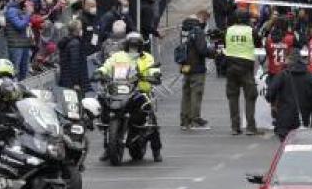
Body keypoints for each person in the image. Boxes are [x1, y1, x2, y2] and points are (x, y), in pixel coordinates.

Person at [96, 32, 163, 162]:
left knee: (151, 119)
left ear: (141, 46)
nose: (134, 49)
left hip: (140, 91)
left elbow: (154, 70)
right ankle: (108, 147)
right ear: (126, 45)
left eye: (136, 46)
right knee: (105, 108)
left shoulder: (147, 58)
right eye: (131, 46)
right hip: (119, 89)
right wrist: (100, 72)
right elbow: (107, 66)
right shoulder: (118, 56)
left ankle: (156, 150)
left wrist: (154, 76)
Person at [266, 50, 312, 140]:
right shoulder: (310, 76)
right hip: (303, 118)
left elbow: (269, 93)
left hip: (284, 118)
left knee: (285, 146)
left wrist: (274, 103)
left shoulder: (282, 75)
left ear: (289, 60)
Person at [224, 9, 261, 135]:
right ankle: (250, 127)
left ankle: (235, 127)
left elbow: (225, 44)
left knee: (233, 96)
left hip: (230, 65)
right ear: (247, 19)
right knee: (250, 96)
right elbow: (258, 45)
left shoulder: (228, 30)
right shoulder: (251, 31)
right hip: (246, 66)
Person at [178, 9, 212, 131]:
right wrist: (214, 52)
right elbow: (202, 50)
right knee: (196, 93)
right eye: (206, 20)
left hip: (185, 65)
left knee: (186, 93)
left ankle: (184, 120)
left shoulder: (184, 29)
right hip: (197, 66)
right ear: (201, 17)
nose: (205, 23)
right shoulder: (197, 31)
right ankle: (194, 120)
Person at [56, 20, 88, 93]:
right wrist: (76, 83)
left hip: (66, 78)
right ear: (76, 30)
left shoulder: (66, 41)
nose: (81, 30)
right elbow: (75, 64)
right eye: (80, 28)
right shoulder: (75, 44)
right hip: (73, 82)